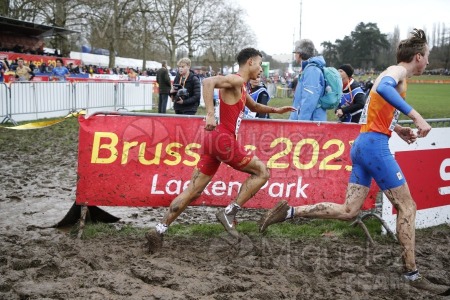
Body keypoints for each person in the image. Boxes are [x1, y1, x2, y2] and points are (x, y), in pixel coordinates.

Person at [259, 29, 450, 295]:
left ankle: (290, 212)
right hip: (373, 148)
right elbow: (382, 90)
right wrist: (416, 116)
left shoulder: (390, 72)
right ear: (418, 56)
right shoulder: (397, 73)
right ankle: (411, 273)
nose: (428, 62)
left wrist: (397, 129)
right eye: (427, 57)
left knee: (349, 210)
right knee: (407, 207)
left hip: (363, 144)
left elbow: (375, 107)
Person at [145, 47, 296, 252]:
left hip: (212, 141)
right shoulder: (235, 80)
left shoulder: (241, 87)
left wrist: (276, 110)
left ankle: (159, 230)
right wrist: (209, 114)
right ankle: (230, 212)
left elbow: (254, 107)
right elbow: (208, 82)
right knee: (262, 172)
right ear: (250, 62)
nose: (261, 70)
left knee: (193, 191)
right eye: (260, 64)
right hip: (224, 140)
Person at [289, 39, 327, 121]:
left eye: (295, 53)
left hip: (310, 124)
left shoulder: (312, 71)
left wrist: (301, 123)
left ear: (299, 54)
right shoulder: (309, 69)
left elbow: (309, 100)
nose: (295, 55)